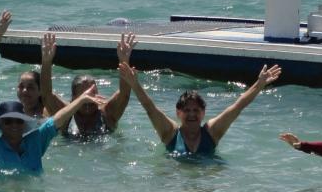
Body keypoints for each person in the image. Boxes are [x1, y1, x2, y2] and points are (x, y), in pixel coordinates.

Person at [118, 62, 282, 156]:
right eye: (187, 110)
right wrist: (135, 84)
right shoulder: (170, 133)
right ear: (178, 113)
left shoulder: (212, 132)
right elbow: (150, 108)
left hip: (207, 182)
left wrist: (259, 84)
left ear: (203, 113)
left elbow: (238, 106)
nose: (191, 114)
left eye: (196, 110)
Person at [0, 84, 102, 175]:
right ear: (0, 125)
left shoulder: (36, 140)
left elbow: (57, 119)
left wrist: (80, 101)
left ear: (24, 123)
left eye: (18, 121)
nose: (14, 125)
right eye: (8, 122)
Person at [40, 32, 137, 135]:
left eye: (91, 94)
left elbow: (124, 95)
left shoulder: (108, 114)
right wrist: (46, 61)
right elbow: (46, 95)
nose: (88, 100)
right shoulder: (65, 116)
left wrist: (124, 60)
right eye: (83, 96)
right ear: (73, 98)